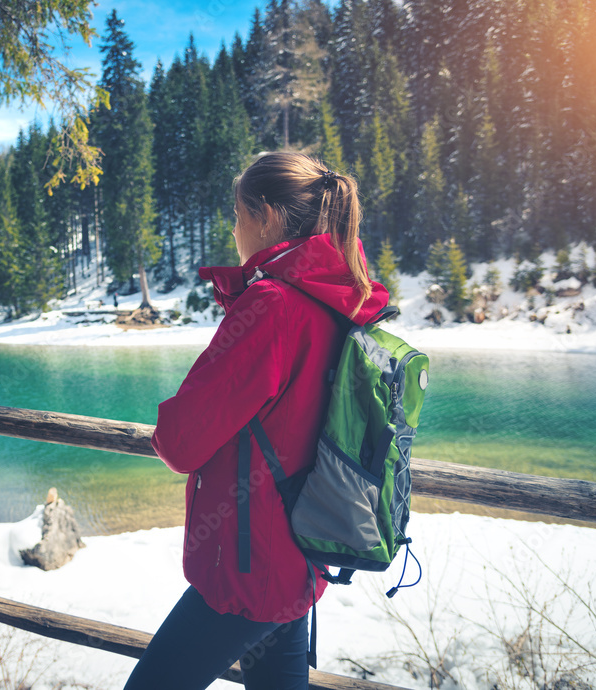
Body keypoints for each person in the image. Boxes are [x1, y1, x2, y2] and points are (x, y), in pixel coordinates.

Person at [124, 152, 389, 690]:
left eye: (238, 214)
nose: (234, 228)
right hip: (298, 547)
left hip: (249, 565)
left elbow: (179, 441)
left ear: (265, 216)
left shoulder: (273, 305)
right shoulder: (342, 296)